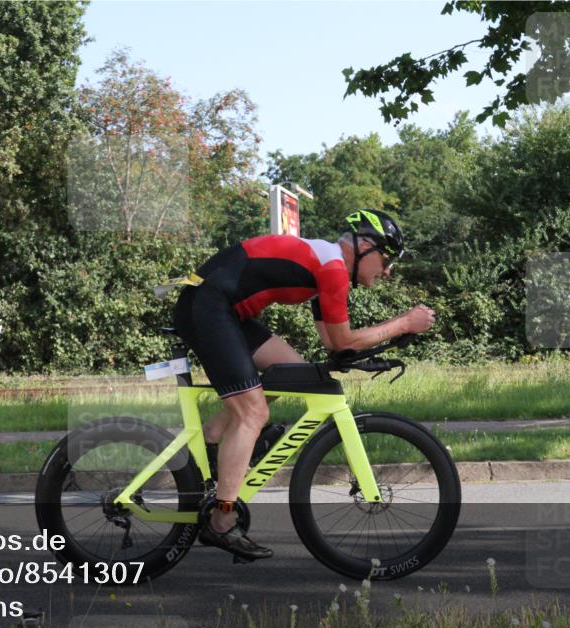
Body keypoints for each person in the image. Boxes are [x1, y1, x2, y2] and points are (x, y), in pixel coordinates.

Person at [171, 209, 436, 560]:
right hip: (209, 305)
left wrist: (372, 350)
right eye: (386, 260)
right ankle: (221, 521)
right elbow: (344, 341)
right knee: (253, 413)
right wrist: (403, 323)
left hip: (223, 308)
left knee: (292, 371)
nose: (387, 271)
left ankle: (214, 441)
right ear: (365, 246)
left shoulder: (327, 264)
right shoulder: (333, 268)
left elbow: (332, 344)